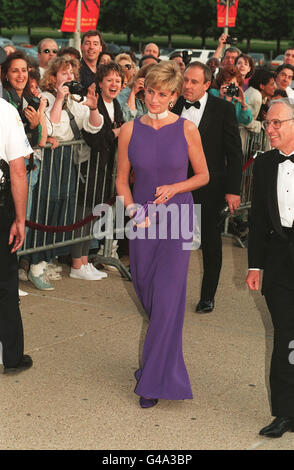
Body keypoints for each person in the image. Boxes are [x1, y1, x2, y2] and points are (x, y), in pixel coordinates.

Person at [116, 61, 209, 408]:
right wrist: (131, 211)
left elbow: (203, 176)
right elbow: (122, 180)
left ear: (174, 96)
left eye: (164, 94)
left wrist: (175, 187)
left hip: (178, 218)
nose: (156, 99)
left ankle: (153, 382)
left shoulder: (186, 129)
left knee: (169, 299)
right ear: (144, 90)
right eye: (151, 92)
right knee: (148, 294)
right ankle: (161, 366)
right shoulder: (129, 130)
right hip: (141, 219)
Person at [26, 56, 104, 289]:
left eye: (72, 74)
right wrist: (60, 98)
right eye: (64, 74)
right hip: (50, 161)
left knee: (61, 210)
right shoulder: (47, 98)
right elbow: (51, 127)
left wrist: (92, 107)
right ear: (53, 78)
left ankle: (45, 259)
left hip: (67, 161)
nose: (70, 78)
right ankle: (34, 263)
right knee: (45, 210)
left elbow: (93, 126)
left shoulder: (76, 100)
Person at [173, 61, 243, 313]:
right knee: (173, 241)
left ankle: (207, 296)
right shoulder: (174, 104)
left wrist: (233, 189)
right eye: (185, 80)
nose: (187, 86)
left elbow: (234, 153)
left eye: (194, 82)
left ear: (206, 85)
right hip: (176, 184)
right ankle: (170, 295)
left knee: (211, 243)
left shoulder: (223, 109)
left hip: (211, 185)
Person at [246, 98, 294, 438]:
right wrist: (255, 266)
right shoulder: (263, 164)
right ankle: (283, 413)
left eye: (277, 123)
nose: (270, 129)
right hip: (277, 261)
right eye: (268, 124)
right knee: (285, 338)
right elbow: (258, 218)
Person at [0, 97, 33, 373]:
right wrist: (20, 219)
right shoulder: (5, 111)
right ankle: (11, 356)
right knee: (4, 282)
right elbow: (18, 171)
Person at [244, 68, 276, 134]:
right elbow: (247, 122)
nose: (274, 87)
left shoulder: (255, 93)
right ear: (262, 86)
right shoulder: (256, 96)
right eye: (272, 84)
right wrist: (262, 125)